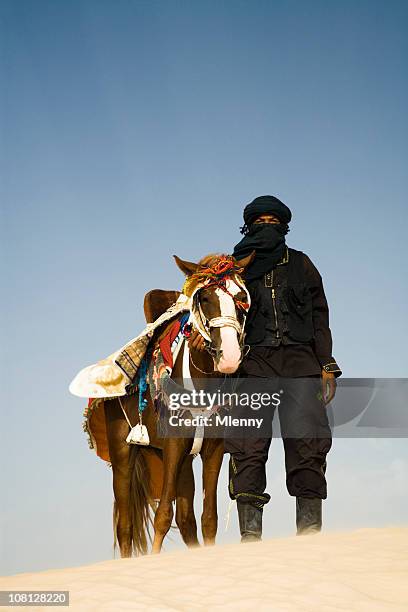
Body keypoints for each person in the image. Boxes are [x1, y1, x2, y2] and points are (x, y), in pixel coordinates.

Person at [225, 194, 342, 541]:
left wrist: (327, 364)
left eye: (272, 223)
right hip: (253, 366)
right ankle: (250, 538)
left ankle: (309, 536)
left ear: (284, 226)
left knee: (309, 444)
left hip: (301, 365)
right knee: (247, 445)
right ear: (248, 227)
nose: (266, 228)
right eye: (259, 223)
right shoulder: (232, 268)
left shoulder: (303, 264)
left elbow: (320, 317)